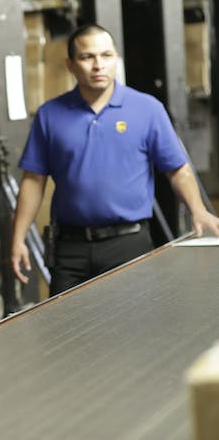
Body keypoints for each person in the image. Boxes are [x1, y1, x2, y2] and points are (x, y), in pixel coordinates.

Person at [11, 23, 219, 296]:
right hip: (70, 249)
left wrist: (198, 210)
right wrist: (18, 238)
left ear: (116, 59)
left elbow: (177, 169)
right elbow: (33, 181)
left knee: (132, 330)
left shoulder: (147, 109)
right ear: (70, 65)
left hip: (129, 242)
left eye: (106, 55)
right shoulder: (50, 114)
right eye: (87, 57)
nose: (98, 65)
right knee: (66, 331)